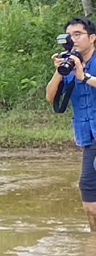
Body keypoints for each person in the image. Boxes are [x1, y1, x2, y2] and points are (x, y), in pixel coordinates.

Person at [47, 16, 96, 232]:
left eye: (78, 34)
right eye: (70, 35)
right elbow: (51, 97)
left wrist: (83, 76)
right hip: (88, 136)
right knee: (88, 192)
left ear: (92, 38)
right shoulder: (69, 61)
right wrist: (60, 73)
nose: (73, 39)